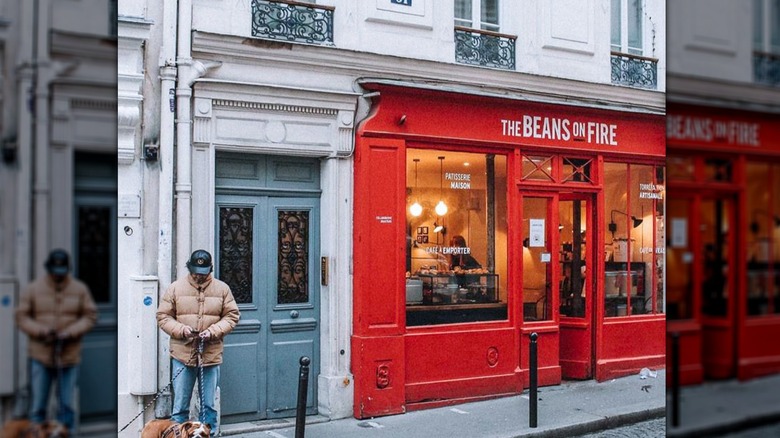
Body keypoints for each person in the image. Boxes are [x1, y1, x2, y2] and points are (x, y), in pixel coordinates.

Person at [15, 249, 99, 434]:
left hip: (68, 356)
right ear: (49, 269)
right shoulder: (34, 289)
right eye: (55, 271)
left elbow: (90, 316)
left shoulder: (79, 289)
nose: (58, 275)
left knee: (66, 407)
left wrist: (70, 332)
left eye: (61, 272)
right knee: (37, 407)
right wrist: (41, 331)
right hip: (40, 355)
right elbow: (21, 316)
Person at [157, 249, 240, 435]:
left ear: (210, 270)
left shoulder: (222, 289)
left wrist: (213, 331)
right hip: (182, 355)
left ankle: (209, 435)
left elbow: (232, 316)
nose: (198, 276)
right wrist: (182, 330)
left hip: (210, 356)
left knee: (209, 406)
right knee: (180, 407)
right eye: (195, 272)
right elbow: (163, 316)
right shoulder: (175, 288)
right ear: (189, 268)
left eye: (203, 273)